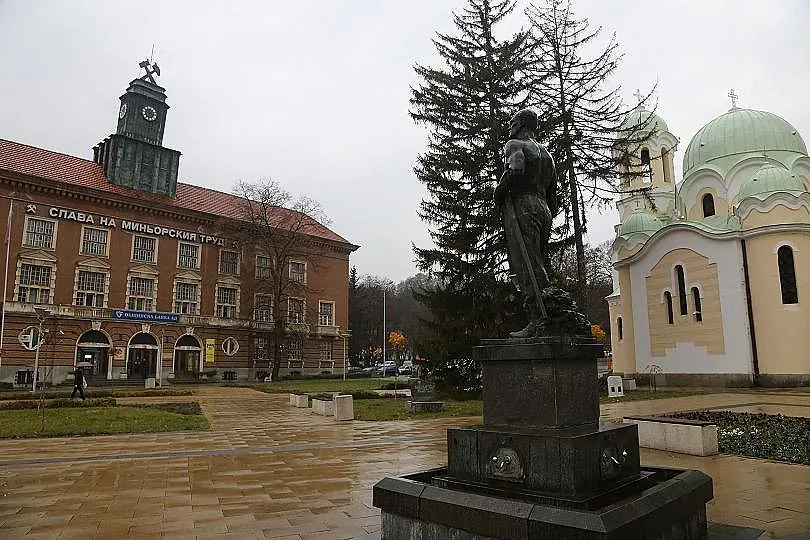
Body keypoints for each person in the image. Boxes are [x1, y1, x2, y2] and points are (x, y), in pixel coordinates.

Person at [494, 109, 557, 338]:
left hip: (523, 206)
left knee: (527, 264)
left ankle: (537, 320)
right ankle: (549, 311)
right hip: (543, 209)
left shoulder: (514, 144)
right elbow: (553, 194)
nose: (510, 127)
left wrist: (499, 191)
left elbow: (516, 169)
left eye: (512, 122)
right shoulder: (547, 155)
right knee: (539, 262)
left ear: (520, 123)